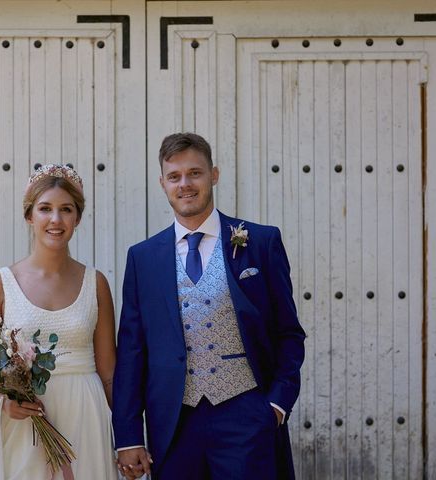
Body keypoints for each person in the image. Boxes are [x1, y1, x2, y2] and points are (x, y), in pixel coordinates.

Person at [112, 133, 306, 479]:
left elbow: (289, 334)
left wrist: (276, 406)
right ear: (162, 183)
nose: (184, 184)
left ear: (213, 175)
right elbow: (131, 352)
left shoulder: (260, 242)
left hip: (246, 415)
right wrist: (128, 436)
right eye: (174, 176)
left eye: (195, 173)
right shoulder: (143, 258)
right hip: (173, 423)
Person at [0, 164, 119, 480]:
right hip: (22, 422)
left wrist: (126, 438)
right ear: (30, 216)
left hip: (84, 416)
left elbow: (109, 373)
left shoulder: (96, 284)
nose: (56, 220)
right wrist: (4, 402)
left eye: (66, 210)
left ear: (77, 218)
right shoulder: (1, 283)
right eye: (45, 209)